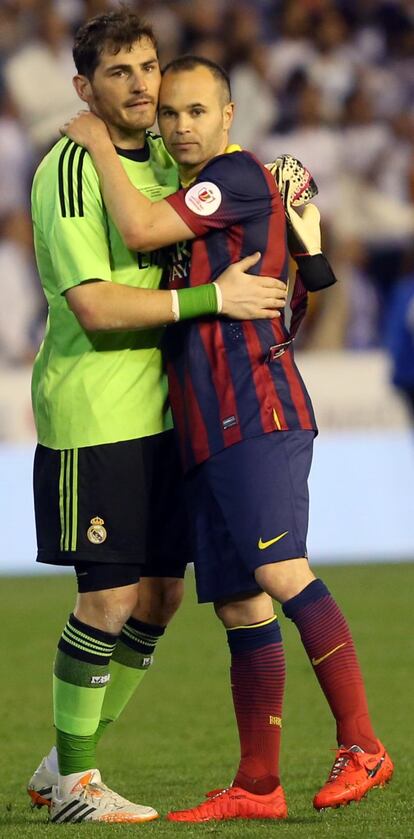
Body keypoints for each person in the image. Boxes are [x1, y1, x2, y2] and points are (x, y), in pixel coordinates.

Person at [64, 54, 394, 822]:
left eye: (196, 111)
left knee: (281, 571)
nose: (181, 126)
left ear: (229, 116)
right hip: (205, 428)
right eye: (170, 113)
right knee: (242, 605)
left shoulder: (236, 176)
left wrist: (97, 143)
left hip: (257, 412)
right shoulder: (203, 198)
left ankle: (363, 743)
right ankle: (257, 784)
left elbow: (141, 226)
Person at [27, 12, 287, 826]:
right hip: (94, 411)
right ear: (84, 88)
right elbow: (99, 307)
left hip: (166, 413)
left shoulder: (166, 167)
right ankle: (76, 780)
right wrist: (216, 298)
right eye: (118, 73)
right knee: (105, 600)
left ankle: (60, 764)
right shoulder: (72, 168)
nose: (142, 85)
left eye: (147, 67)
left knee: (161, 597)